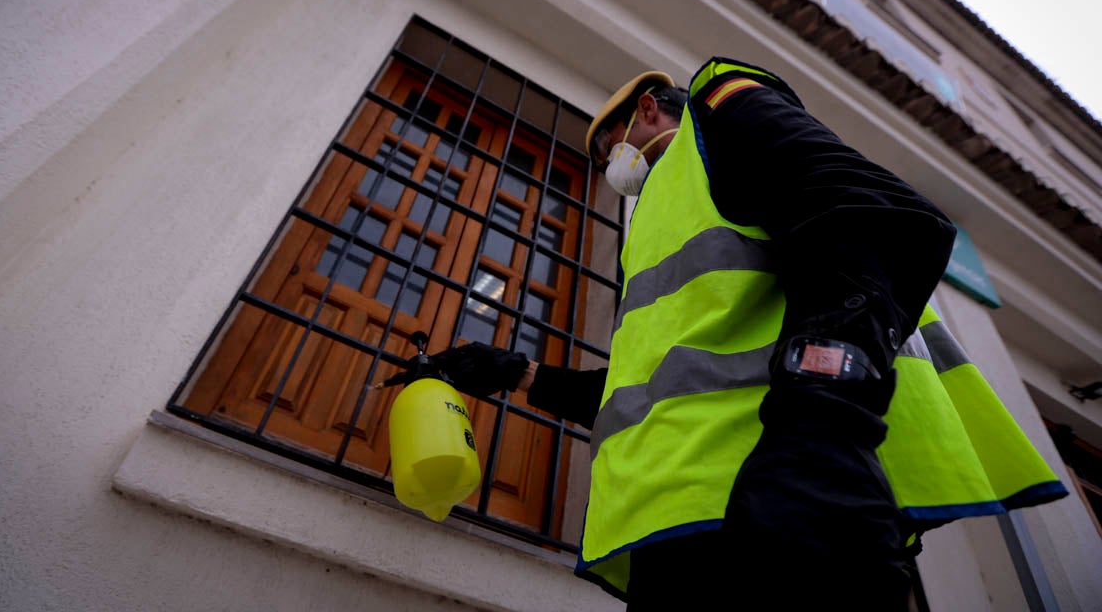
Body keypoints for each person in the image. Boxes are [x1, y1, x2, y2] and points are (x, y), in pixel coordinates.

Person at [425, 58, 1067, 610]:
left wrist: (820, 424)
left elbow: (874, 219)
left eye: (609, 147)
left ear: (647, 109)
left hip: (779, 492)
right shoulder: (660, 218)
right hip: (679, 523)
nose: (611, 168)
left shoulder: (718, 113)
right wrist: (518, 374)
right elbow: (662, 387)